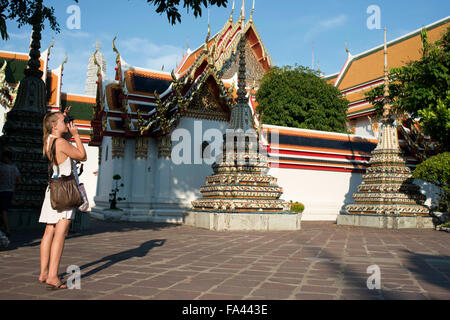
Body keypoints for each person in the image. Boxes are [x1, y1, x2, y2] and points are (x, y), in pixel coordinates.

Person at [38, 110, 87, 290]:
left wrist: (62, 115)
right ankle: (52, 275)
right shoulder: (61, 142)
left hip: (52, 189)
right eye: (63, 121)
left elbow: (53, 119)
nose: (66, 123)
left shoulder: (48, 140)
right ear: (54, 126)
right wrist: (76, 135)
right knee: (61, 232)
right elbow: (83, 156)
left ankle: (44, 272)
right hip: (65, 190)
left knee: (49, 230)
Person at [0, 150, 22, 237]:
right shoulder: (14, 168)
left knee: (3, 210)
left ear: (6, 158)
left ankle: (7, 229)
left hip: (2, 191)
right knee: (4, 209)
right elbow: (19, 180)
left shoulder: (1, 167)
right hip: (10, 191)